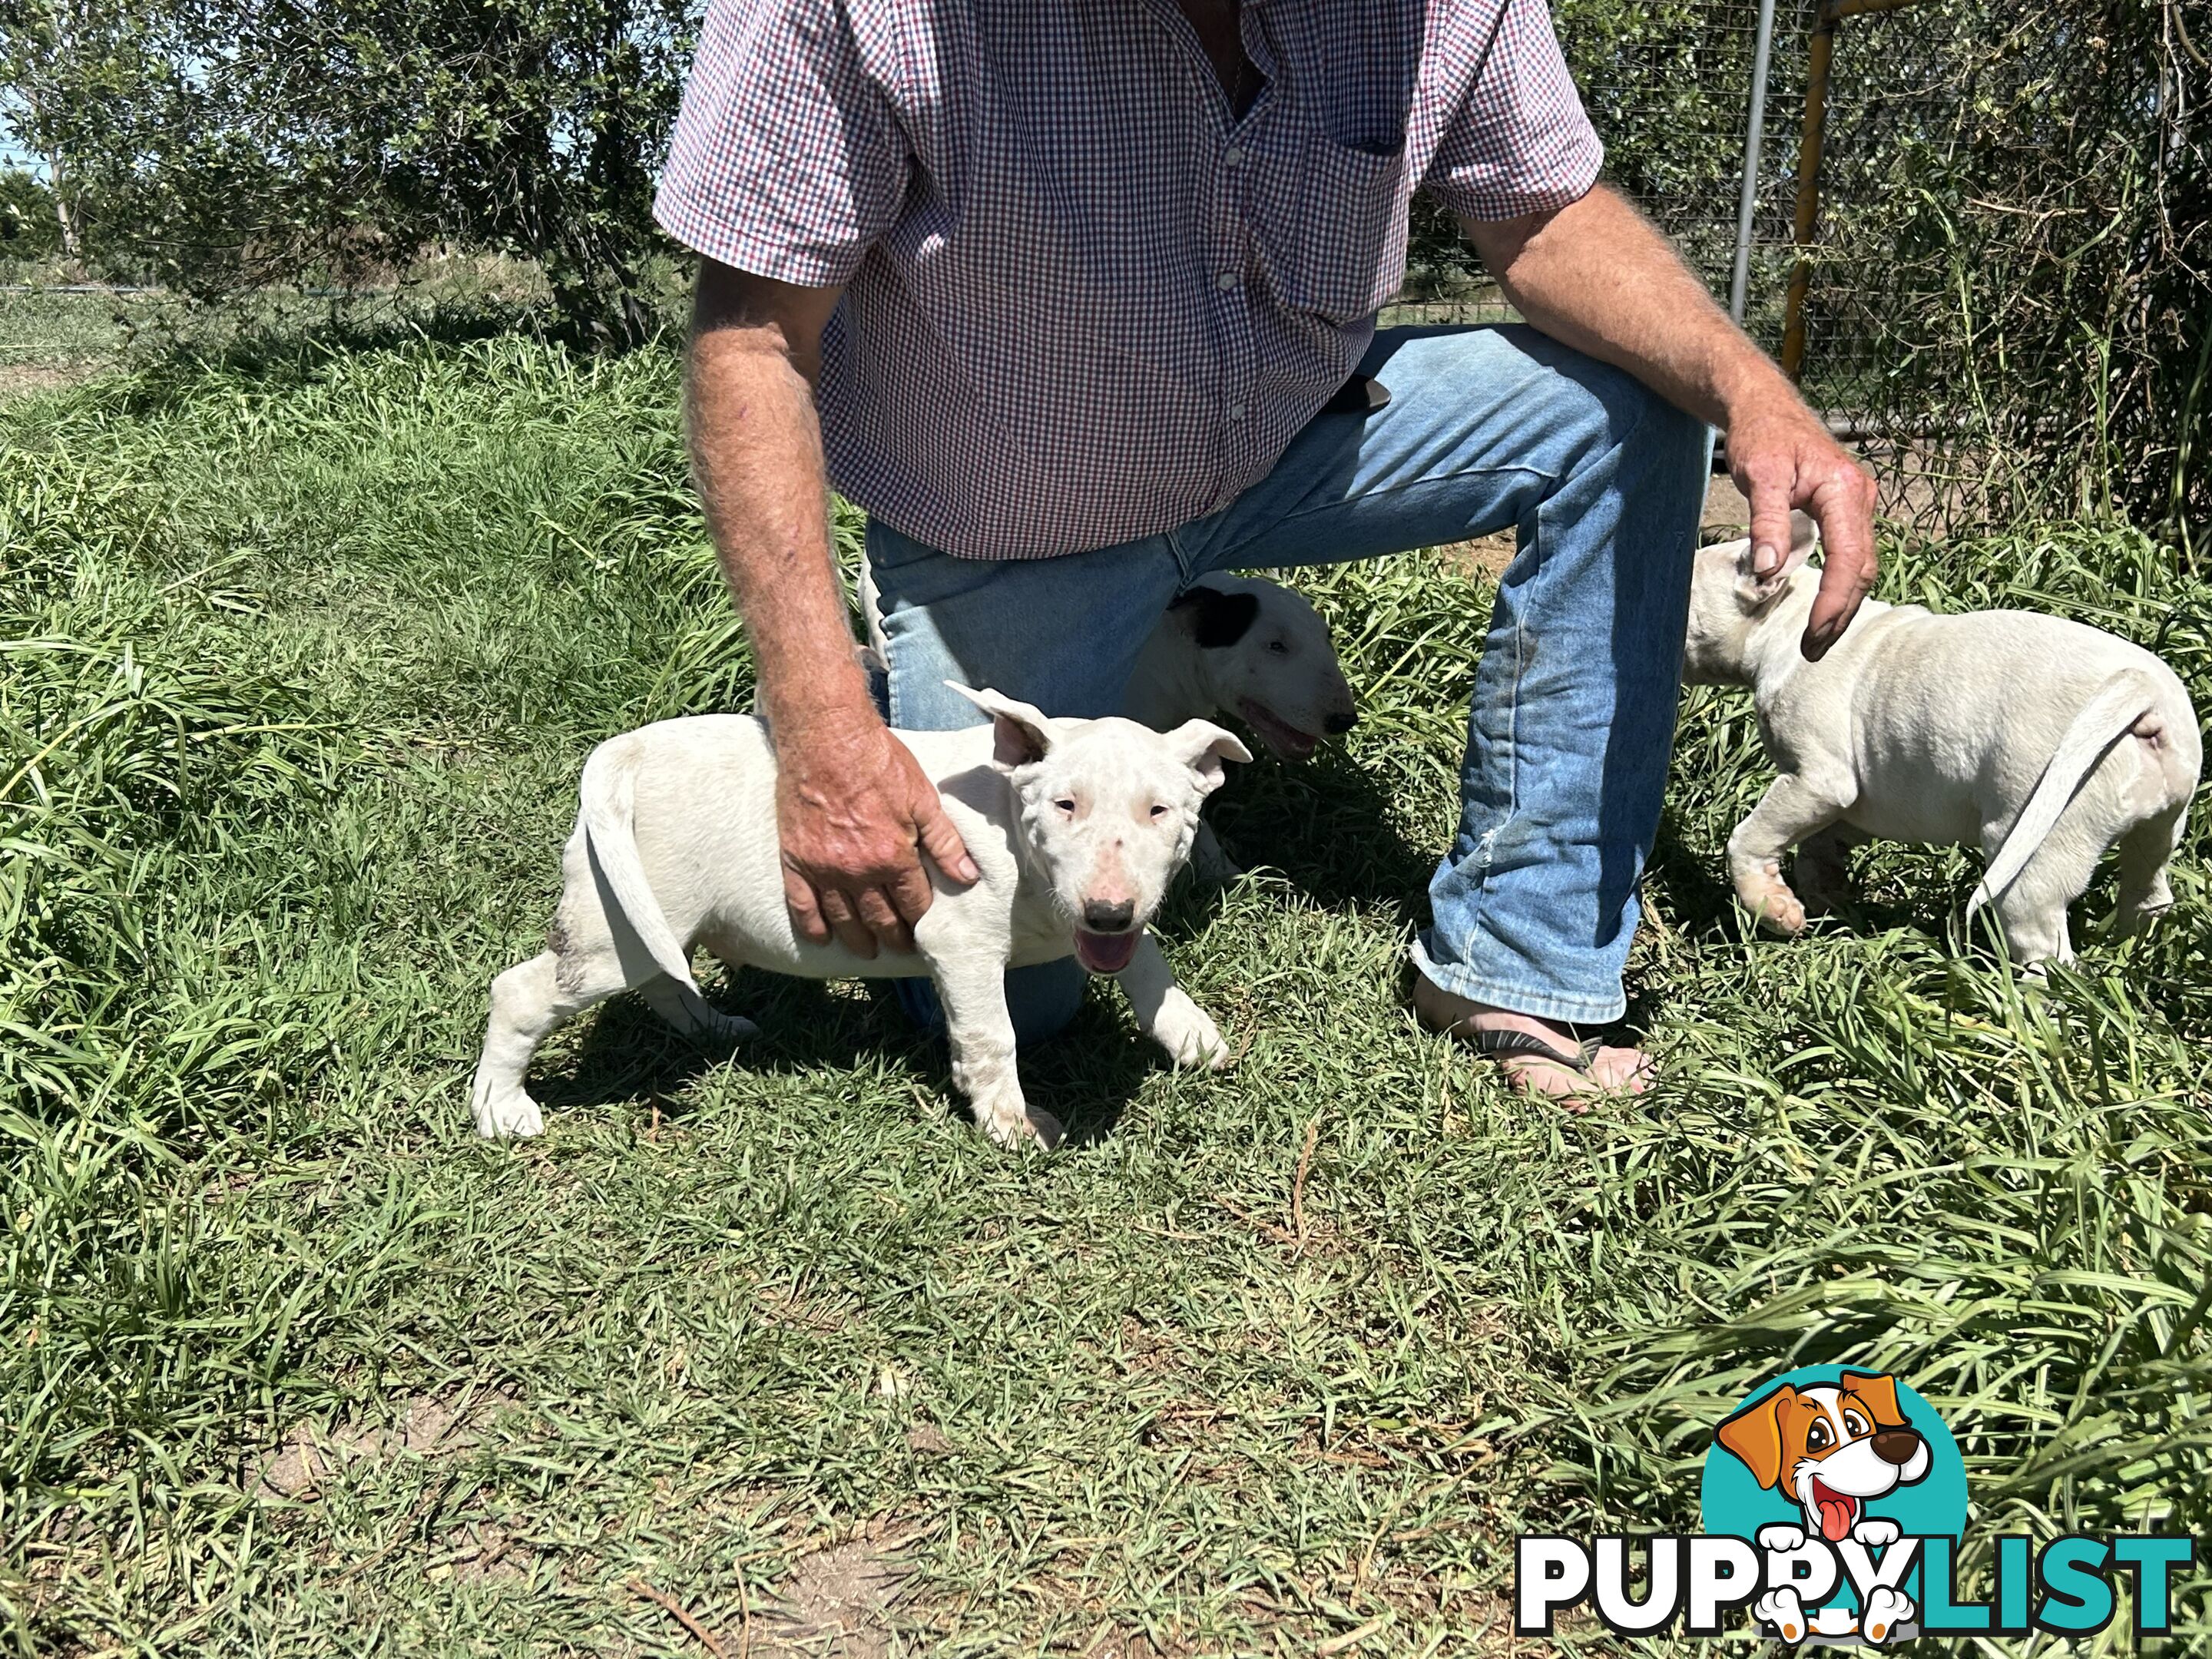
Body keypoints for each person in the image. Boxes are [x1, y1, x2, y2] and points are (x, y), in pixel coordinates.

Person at [654, 0, 1879, 1102]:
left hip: (1287, 440)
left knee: (1628, 406)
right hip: (1012, 526)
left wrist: (1751, 390)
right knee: (1023, 985)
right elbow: (752, 338)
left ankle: (1520, 957)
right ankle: (891, 687)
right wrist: (818, 731)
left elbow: (1539, 208)